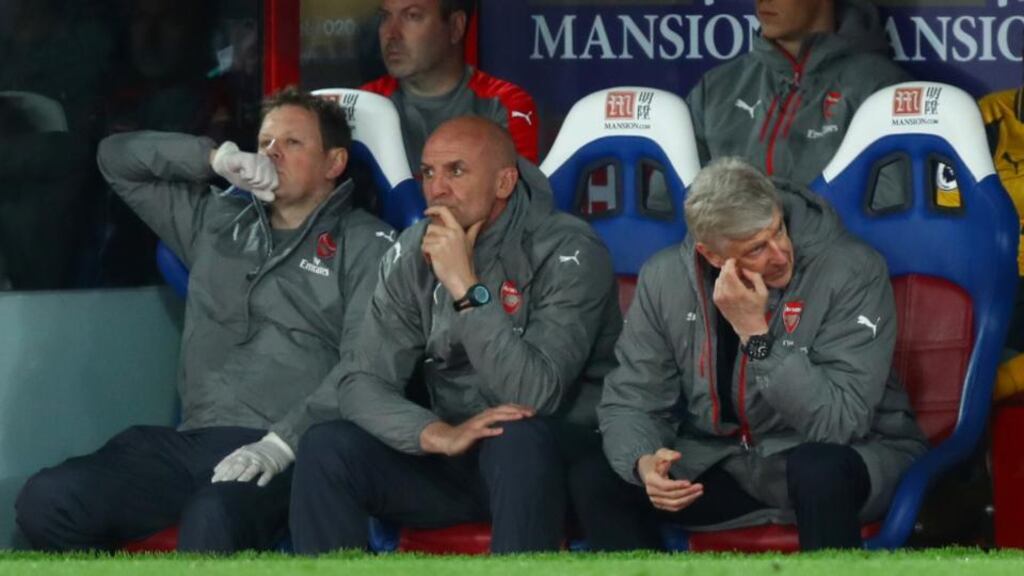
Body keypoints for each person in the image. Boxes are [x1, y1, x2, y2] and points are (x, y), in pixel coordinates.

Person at [15, 87, 396, 553]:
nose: (273, 152)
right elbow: (116, 159)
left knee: (212, 518)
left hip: (291, 452)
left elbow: (363, 367)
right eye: (266, 142)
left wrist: (282, 444)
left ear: (334, 164)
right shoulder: (217, 221)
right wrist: (214, 158)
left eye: (293, 143)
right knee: (48, 499)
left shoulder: (368, 243)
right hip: (192, 442)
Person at [288, 116, 620, 554]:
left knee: (514, 433)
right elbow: (360, 381)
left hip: (556, 463)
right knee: (326, 446)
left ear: (504, 182)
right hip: (458, 453)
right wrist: (435, 433)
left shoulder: (569, 249)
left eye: (456, 171)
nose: (436, 189)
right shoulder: (413, 249)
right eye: (427, 173)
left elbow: (536, 394)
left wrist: (465, 287)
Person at [574, 157, 927, 551]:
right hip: (726, 460)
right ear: (712, 256)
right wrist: (643, 463)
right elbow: (632, 399)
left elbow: (839, 422)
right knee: (598, 476)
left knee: (818, 468)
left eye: (779, 230)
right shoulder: (664, 279)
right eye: (757, 248)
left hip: (849, 457)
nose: (780, 254)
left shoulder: (852, 269)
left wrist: (754, 332)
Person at [686, 0, 911, 185]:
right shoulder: (714, 89)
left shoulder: (880, 89)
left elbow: (889, 219)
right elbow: (671, 208)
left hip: (831, 241)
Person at [361, 0, 538, 174]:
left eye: (412, 16)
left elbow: (520, 198)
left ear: (455, 27)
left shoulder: (503, 104)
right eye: (385, 17)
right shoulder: (363, 104)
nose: (391, 34)